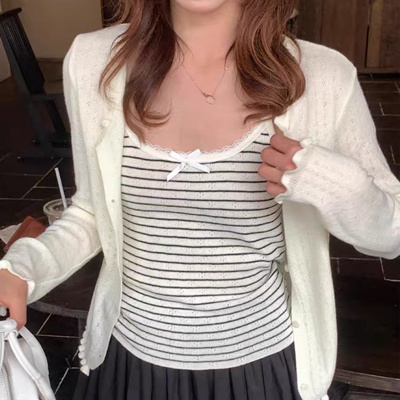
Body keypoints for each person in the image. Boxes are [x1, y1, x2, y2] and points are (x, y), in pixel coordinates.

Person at [0, 0, 399, 399]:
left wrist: (337, 185)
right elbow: (90, 212)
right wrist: (22, 267)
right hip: (130, 361)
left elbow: (391, 234)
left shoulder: (324, 78)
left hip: (259, 369)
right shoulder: (93, 62)